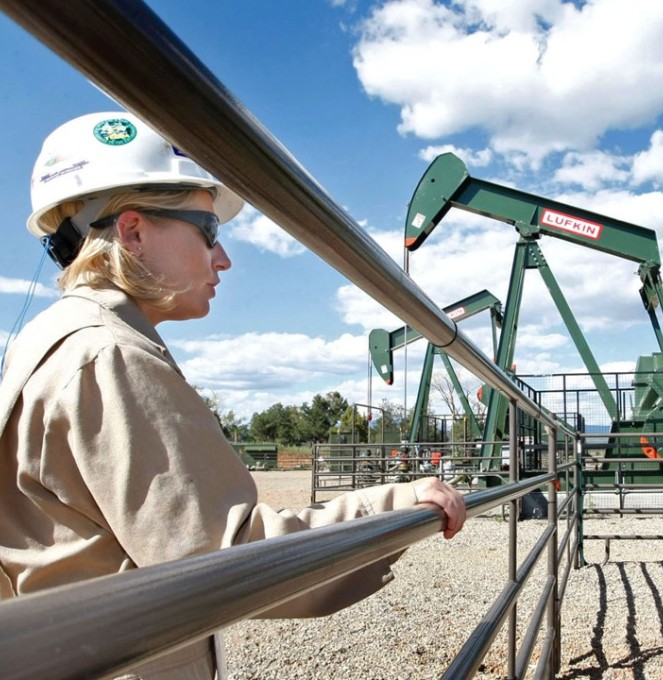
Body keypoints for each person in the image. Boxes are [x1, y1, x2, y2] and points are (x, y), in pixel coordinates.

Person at [0, 112, 466, 679]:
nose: (223, 258)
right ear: (133, 231)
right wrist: (395, 507)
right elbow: (228, 559)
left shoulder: (48, 339)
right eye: (208, 230)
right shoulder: (108, 355)